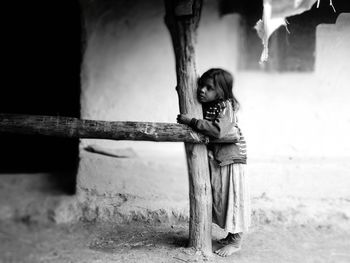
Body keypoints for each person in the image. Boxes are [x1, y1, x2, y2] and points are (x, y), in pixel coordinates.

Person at [177, 68, 250, 257]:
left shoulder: (226, 106)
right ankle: (230, 235)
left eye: (209, 88)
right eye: (201, 85)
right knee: (221, 198)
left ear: (222, 91)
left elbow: (218, 130)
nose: (202, 90)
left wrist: (192, 121)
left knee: (233, 198)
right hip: (220, 159)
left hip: (231, 159)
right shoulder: (211, 106)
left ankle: (235, 242)